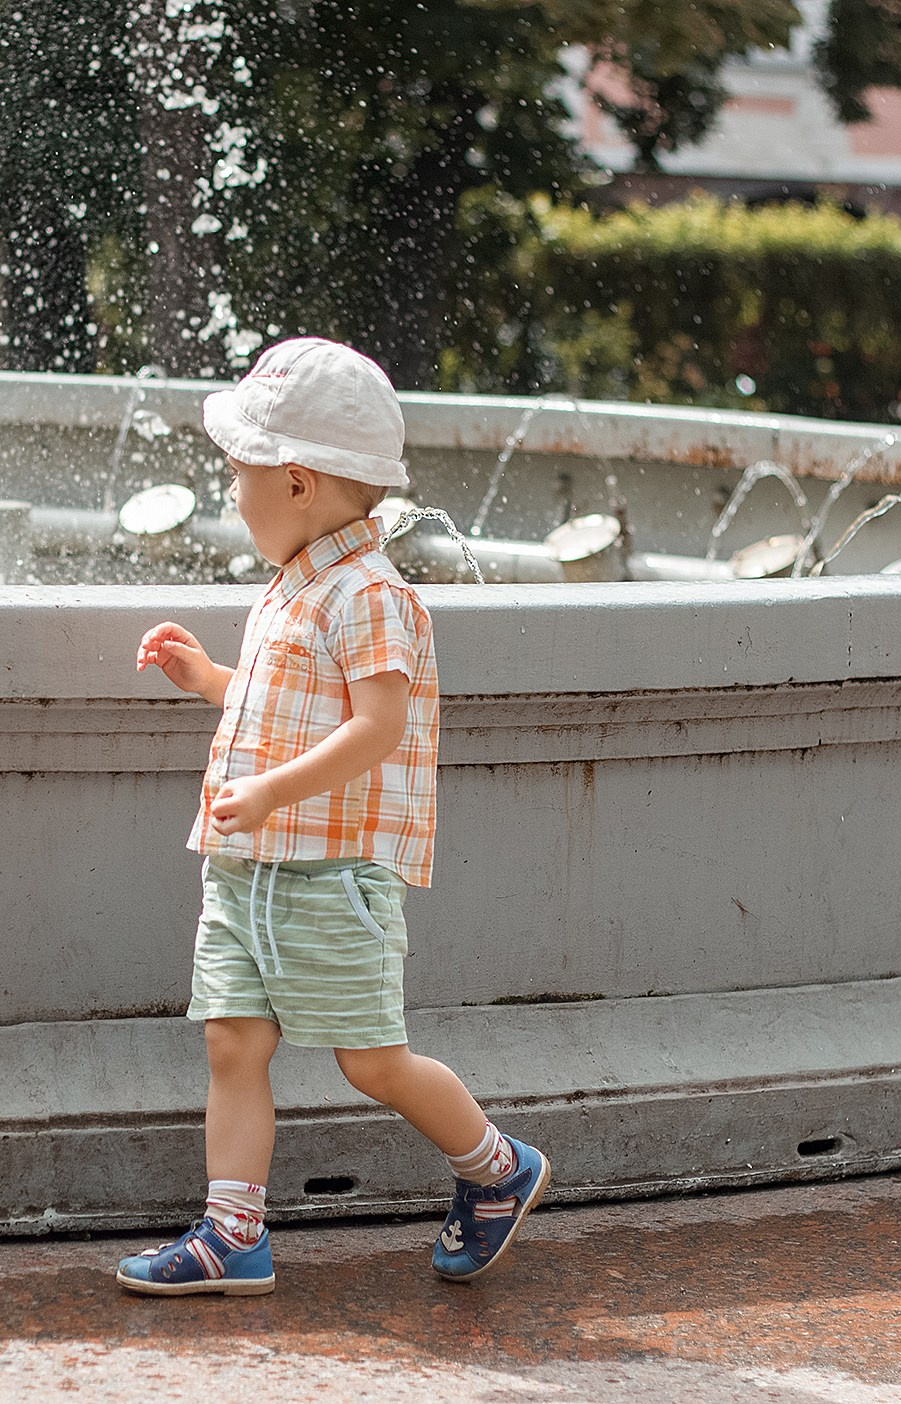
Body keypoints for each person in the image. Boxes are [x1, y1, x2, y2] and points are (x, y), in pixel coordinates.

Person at [118, 337, 550, 1296]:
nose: (232, 493)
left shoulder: (370, 593)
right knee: (231, 1039)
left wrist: (271, 791)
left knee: (373, 1060)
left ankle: (496, 1169)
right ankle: (233, 1231)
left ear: (300, 482)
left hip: (328, 875)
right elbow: (283, 708)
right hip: (246, 869)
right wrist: (209, 680)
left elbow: (378, 727)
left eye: (241, 475)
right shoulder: (297, 582)